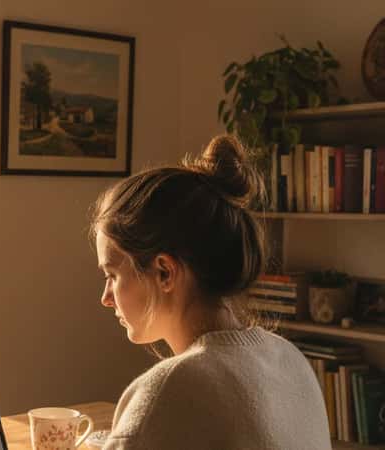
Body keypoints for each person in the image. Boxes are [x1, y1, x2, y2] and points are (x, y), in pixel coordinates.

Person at [91, 135, 331, 450]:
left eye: (112, 275)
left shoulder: (167, 390)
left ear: (165, 272)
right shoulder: (290, 359)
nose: (106, 298)